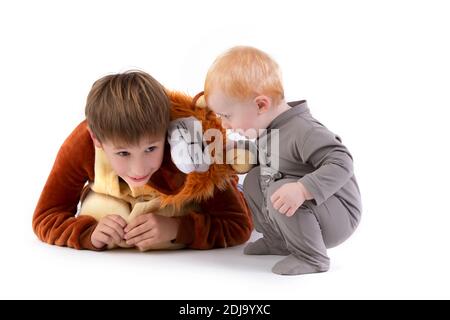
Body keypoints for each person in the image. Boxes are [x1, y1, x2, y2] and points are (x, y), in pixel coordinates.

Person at [33, 70, 252, 251]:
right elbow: (46, 216)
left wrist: (178, 229)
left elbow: (238, 224)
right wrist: (88, 234)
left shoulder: (192, 142)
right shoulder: (82, 144)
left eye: (150, 148)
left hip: (186, 203)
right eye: (123, 153)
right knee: (102, 208)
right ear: (96, 139)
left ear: (165, 131)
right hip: (114, 203)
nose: (138, 169)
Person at [204, 46, 362, 275]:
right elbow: (271, 157)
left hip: (338, 213)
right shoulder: (270, 129)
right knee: (255, 178)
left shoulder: (304, 130)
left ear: (260, 105)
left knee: (280, 187)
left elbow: (342, 161)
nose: (225, 124)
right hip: (306, 212)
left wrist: (303, 189)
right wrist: (234, 149)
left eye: (227, 116)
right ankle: (277, 240)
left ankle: (312, 257)